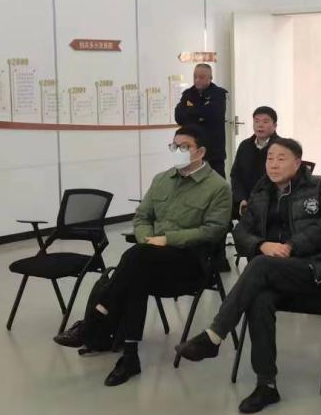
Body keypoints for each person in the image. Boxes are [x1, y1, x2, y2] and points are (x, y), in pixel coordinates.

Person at [175, 138, 321, 414]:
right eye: (269, 158)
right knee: (259, 297)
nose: (273, 165)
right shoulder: (262, 190)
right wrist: (261, 245)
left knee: (260, 266)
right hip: (274, 271)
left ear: (298, 162)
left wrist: (291, 246)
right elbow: (241, 231)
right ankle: (266, 385)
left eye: (281, 159)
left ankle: (215, 335)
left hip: (316, 269)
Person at [54, 125, 231, 387]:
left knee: (136, 261)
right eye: (174, 146)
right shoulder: (162, 179)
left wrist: (168, 239)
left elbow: (213, 231)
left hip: (190, 263)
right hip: (150, 257)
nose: (177, 151)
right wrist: (148, 239)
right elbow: (141, 217)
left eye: (184, 147)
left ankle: (93, 322)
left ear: (201, 152)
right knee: (136, 271)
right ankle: (129, 356)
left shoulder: (218, 187)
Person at [173, 63, 228, 177]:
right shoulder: (188, 93)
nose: (197, 80)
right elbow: (179, 116)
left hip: (213, 150)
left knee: (216, 182)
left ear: (210, 78)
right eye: (195, 77)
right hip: (190, 150)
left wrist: (191, 112)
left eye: (201, 77)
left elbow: (213, 115)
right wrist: (200, 114)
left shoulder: (219, 94)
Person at [230, 105, 280, 217]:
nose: (260, 125)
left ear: (275, 125)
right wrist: (241, 199)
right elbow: (235, 175)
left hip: (272, 205)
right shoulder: (245, 146)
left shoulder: (281, 147)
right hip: (246, 202)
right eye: (256, 121)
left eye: (265, 122)